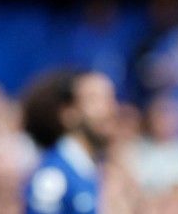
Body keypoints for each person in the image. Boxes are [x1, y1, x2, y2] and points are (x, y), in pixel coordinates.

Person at [21, 70, 117, 214]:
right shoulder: (53, 176)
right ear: (68, 114)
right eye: (95, 100)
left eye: (111, 98)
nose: (110, 109)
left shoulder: (97, 170)